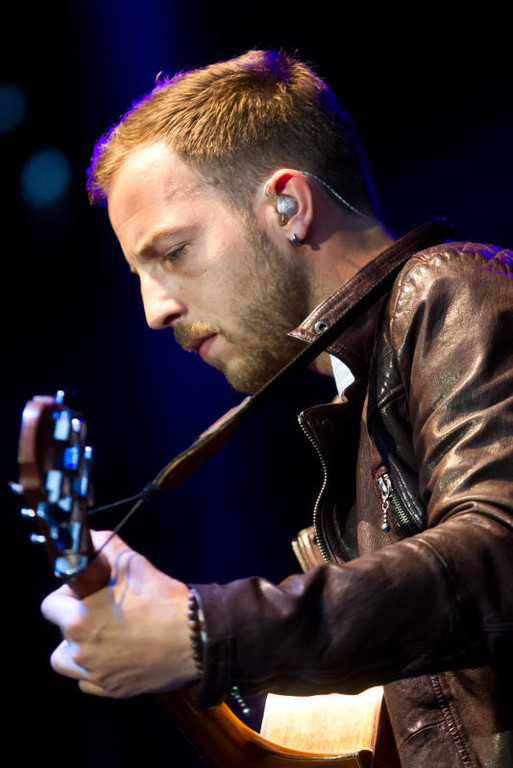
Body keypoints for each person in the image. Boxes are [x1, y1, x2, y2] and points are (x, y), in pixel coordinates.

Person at [40, 49, 513, 767]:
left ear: (287, 205)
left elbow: (497, 554)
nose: (154, 310)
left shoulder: (447, 289)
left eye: (173, 252)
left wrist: (206, 631)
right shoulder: (360, 403)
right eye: (139, 273)